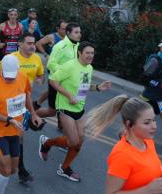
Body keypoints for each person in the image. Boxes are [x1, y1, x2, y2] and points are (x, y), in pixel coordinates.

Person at [39, 42, 111, 182]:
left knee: (78, 142)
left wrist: (97, 87)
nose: (90, 55)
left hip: (80, 108)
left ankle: (64, 168)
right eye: (87, 53)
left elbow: (83, 87)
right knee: (73, 141)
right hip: (66, 107)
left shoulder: (89, 68)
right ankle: (47, 143)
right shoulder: (70, 66)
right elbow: (53, 80)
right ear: (80, 53)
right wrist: (68, 95)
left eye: (92, 53)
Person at [0, 54, 42, 194]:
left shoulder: (23, 78)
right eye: (7, 75)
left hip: (15, 131)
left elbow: (27, 97)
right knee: (6, 169)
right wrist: (9, 120)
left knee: (13, 169)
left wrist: (33, 114)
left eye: (12, 76)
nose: (9, 78)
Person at [86, 96, 162, 194]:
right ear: (129, 124)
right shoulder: (122, 155)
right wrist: (147, 190)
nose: (154, 126)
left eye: (154, 120)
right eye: (147, 123)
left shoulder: (148, 142)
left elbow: (142, 173)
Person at [0, 33, 46, 184]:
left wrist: (38, 79)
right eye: (29, 43)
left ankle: (17, 166)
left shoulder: (37, 59)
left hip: (24, 102)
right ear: (20, 44)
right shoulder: (11, 59)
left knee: (19, 135)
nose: (32, 46)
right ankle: (18, 168)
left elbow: (41, 76)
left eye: (34, 43)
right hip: (9, 102)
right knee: (16, 135)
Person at [35, 23, 81, 118]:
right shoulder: (60, 46)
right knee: (52, 112)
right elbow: (51, 64)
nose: (79, 34)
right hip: (57, 82)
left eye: (79, 32)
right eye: (76, 32)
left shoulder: (78, 46)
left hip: (69, 84)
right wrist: (63, 73)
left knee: (66, 109)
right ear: (68, 33)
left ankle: (64, 124)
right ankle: (31, 115)